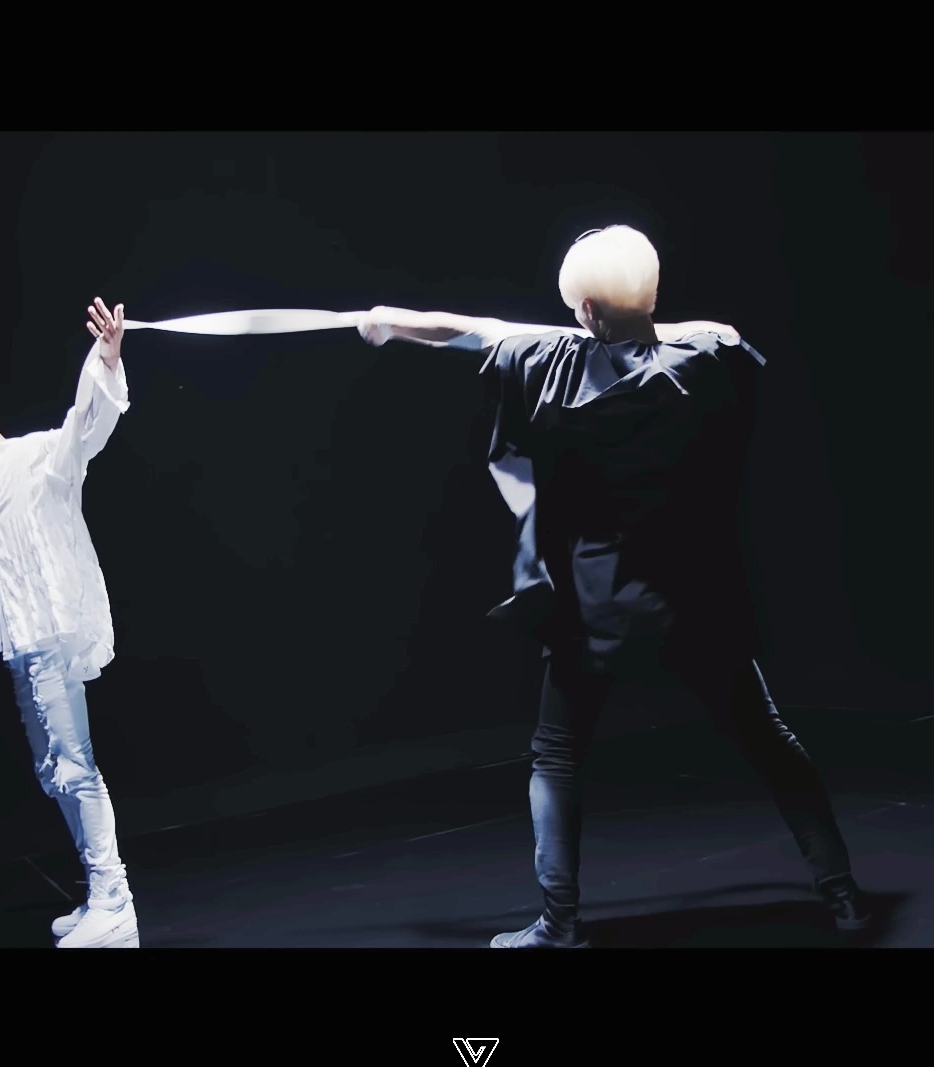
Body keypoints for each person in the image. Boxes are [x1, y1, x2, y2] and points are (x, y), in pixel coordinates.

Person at [358, 226, 873, 947]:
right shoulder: (709, 356)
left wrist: (394, 322)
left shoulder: (548, 365)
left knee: (557, 758)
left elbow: (478, 330)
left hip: (595, 610)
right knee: (767, 739)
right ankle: (843, 894)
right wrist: (632, 322)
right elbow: (712, 331)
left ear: (587, 311)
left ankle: (560, 923)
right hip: (696, 603)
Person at [0, 297, 140, 949]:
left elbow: (85, 429)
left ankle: (115, 900)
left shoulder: (35, 457)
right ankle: (100, 894)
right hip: (22, 642)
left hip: (51, 635)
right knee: (53, 770)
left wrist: (106, 359)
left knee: (76, 765)